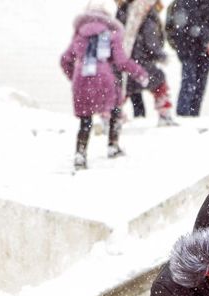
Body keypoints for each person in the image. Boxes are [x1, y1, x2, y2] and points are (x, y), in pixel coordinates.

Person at [60, 1, 150, 170]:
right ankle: (113, 145)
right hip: (104, 78)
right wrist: (140, 73)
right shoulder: (111, 33)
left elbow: (65, 60)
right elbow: (122, 61)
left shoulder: (79, 34)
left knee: (85, 120)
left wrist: (73, 76)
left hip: (82, 79)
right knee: (115, 109)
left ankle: (80, 154)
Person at [117, 0, 178, 126]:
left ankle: (114, 116)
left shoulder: (123, 11)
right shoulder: (146, 13)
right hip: (143, 63)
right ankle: (164, 115)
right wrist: (160, 55)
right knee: (160, 84)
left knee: (121, 90)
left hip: (125, 62)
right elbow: (151, 40)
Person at [165, 0, 209, 117]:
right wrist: (208, 40)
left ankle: (193, 118)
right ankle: (184, 118)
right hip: (189, 49)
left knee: (199, 89)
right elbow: (190, 22)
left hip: (206, 53)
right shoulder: (184, 3)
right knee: (189, 85)